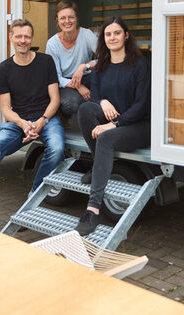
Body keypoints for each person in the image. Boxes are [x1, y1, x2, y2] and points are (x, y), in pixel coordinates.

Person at [0, 19, 65, 226]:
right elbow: (6, 109)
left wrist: (41, 121)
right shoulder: (3, 68)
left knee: (57, 148)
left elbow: (55, 99)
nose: (23, 40)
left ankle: (31, 206)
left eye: (27, 36)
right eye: (19, 36)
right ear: (11, 38)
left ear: (31, 38)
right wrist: (23, 124)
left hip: (46, 119)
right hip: (17, 123)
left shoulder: (45, 61)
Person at [75, 17, 151, 236]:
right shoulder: (101, 66)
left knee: (106, 138)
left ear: (126, 36)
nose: (113, 38)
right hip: (115, 122)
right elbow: (96, 96)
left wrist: (114, 124)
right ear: (104, 39)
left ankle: (93, 209)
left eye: (117, 33)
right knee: (86, 109)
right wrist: (102, 102)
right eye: (108, 34)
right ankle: (98, 161)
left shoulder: (139, 65)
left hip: (138, 125)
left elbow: (142, 105)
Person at [46, 0, 97, 120]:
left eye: (71, 17)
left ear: (77, 19)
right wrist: (78, 86)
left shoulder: (87, 35)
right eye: (62, 18)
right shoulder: (52, 44)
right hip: (65, 82)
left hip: (86, 76)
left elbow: (106, 58)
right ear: (57, 20)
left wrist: (85, 66)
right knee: (72, 103)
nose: (67, 21)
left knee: (106, 81)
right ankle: (63, 115)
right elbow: (55, 76)